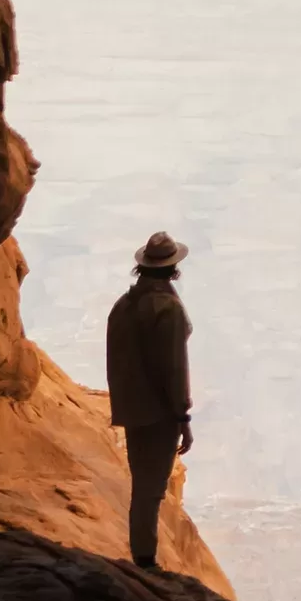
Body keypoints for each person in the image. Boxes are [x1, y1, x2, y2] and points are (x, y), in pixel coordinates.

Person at [103, 231, 194, 569]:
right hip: (159, 413)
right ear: (173, 270)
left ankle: (142, 553)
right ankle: (145, 560)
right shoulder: (166, 309)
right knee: (151, 490)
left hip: (132, 407)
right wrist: (182, 417)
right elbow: (174, 366)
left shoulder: (124, 305)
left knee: (142, 484)